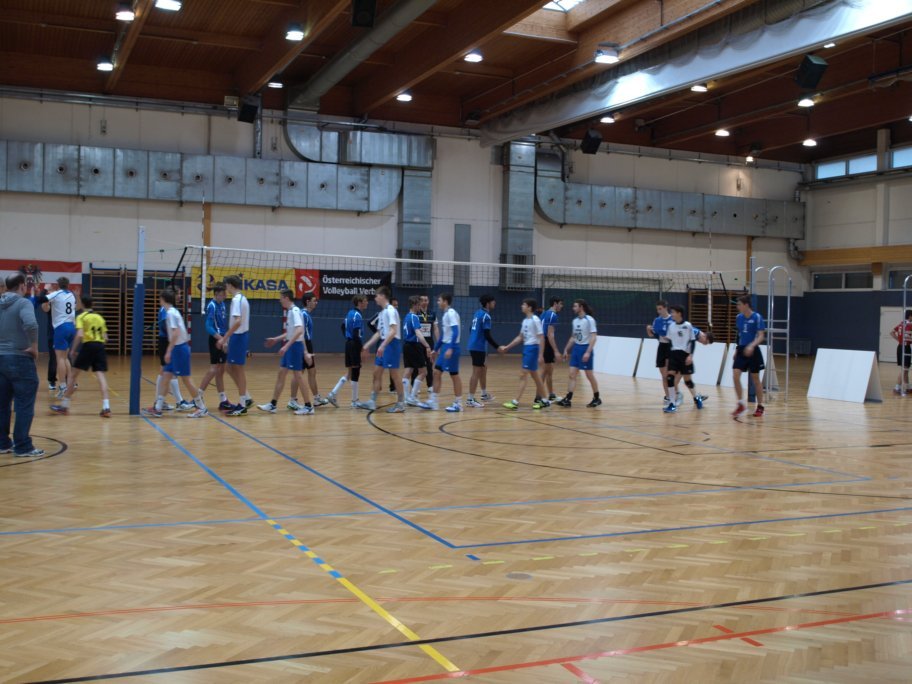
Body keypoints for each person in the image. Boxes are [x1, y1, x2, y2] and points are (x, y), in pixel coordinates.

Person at [142, 290, 208, 418]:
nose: (159, 301)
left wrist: (168, 350)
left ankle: (201, 407)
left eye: (160, 298)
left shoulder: (171, 313)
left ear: (164, 299)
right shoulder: (171, 312)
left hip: (180, 349)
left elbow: (176, 333)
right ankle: (158, 407)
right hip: (177, 348)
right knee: (166, 376)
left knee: (186, 379)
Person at [0, 274, 43, 457]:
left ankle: (2, 444)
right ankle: (23, 446)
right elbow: (32, 324)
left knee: (2, 405)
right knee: (24, 405)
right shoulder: (23, 303)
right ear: (22, 286)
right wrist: (34, 347)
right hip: (19, 358)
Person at [50, 295, 111, 417]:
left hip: (88, 346)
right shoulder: (99, 318)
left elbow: (80, 334)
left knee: (73, 376)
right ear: (93, 304)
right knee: (101, 376)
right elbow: (105, 338)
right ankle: (106, 407)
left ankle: (64, 406)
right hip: (99, 347)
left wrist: (73, 350)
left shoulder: (82, 317)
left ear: (82, 304)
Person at [257, 290, 315, 416]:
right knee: (281, 373)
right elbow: (290, 332)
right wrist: (276, 339)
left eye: (281, 298)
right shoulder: (290, 311)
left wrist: (287, 346)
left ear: (286, 298)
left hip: (294, 346)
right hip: (291, 346)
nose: (280, 300)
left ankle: (308, 406)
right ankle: (273, 404)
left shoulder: (295, 311)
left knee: (298, 376)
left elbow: (299, 331)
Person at [361, 286, 406, 413]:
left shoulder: (391, 310)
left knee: (394, 374)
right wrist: (366, 345)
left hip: (391, 344)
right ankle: (372, 401)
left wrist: (383, 345)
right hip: (384, 344)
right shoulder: (382, 313)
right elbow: (379, 333)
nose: (375, 298)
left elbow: (393, 331)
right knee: (376, 373)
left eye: (376, 296)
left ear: (382, 296)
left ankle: (401, 403)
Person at [499, 299, 549, 410]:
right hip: (527, 349)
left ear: (529, 307)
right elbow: (520, 337)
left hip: (533, 349)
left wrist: (541, 355)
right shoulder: (525, 321)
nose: (522, 306)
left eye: (524, 304)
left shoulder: (535, 320)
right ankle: (545, 400)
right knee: (536, 376)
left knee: (523, 374)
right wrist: (507, 347)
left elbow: (541, 337)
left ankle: (515, 401)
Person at [151, 289, 193, 411]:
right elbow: (166, 326)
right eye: (178, 294)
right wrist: (171, 343)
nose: (180, 296)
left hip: (169, 341)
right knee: (167, 371)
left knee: (167, 371)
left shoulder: (171, 310)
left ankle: (161, 402)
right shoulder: (167, 311)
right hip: (166, 341)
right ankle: (176, 402)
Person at [420, 292, 462, 412]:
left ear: (445, 301)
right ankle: (433, 402)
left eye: (439, 300)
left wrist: (450, 348)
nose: (438, 302)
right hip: (445, 347)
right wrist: (435, 349)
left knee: (454, 375)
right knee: (436, 372)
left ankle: (458, 404)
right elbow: (444, 335)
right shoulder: (445, 315)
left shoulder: (451, 313)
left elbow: (455, 331)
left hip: (451, 347)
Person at [556, 299, 601, 408]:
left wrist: (588, 352)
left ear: (581, 307)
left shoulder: (589, 320)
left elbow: (594, 337)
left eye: (575, 306)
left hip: (585, 348)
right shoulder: (575, 321)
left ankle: (596, 398)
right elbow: (573, 337)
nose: (573, 308)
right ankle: (568, 399)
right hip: (576, 349)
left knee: (589, 375)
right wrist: (566, 349)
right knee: (572, 374)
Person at [219, 275, 252, 416]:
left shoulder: (237, 300)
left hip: (238, 336)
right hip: (238, 337)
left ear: (231, 285)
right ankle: (246, 398)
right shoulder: (242, 298)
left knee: (238, 370)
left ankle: (243, 404)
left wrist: (224, 338)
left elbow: (238, 321)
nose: (225, 287)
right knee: (229, 367)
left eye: (226, 285)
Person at [328, 295, 368, 408]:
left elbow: (342, 326)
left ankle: (333, 393)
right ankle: (354, 401)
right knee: (355, 372)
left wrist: (347, 337)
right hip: (354, 344)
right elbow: (356, 334)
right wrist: (362, 348)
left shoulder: (350, 313)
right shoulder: (357, 315)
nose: (367, 303)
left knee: (350, 372)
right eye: (365, 301)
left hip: (349, 344)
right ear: (359, 302)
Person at [662, 305, 703, 413]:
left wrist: (690, 355)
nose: (671, 314)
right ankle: (672, 404)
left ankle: (696, 398)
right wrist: (668, 356)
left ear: (679, 313)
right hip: (674, 355)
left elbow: (693, 341)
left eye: (673, 312)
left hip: (685, 355)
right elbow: (669, 341)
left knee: (687, 381)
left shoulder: (688, 326)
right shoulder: (671, 326)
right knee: (670, 378)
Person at [40, 277, 76, 398]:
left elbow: (43, 302)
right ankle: (70, 384)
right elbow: (46, 307)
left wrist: (45, 290)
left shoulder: (56, 294)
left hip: (61, 328)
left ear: (58, 285)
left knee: (59, 359)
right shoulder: (71, 295)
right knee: (65, 358)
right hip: (71, 327)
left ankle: (62, 386)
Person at [198, 283, 232, 411]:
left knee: (220, 370)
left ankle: (223, 400)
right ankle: (198, 397)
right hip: (216, 339)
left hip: (223, 339)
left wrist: (226, 339)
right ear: (217, 294)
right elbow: (208, 327)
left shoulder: (222, 304)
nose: (225, 296)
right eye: (223, 294)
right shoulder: (211, 305)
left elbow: (222, 325)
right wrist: (221, 340)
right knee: (213, 369)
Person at [731, 294, 766, 418]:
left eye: (739, 304)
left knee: (755, 379)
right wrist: (737, 349)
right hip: (741, 350)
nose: (737, 307)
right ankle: (741, 404)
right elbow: (739, 335)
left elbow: (761, 336)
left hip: (753, 350)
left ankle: (760, 406)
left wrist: (751, 346)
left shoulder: (757, 317)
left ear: (746, 305)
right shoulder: (739, 317)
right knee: (735, 375)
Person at [466, 295, 500, 407]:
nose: (494, 303)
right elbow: (487, 335)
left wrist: (474, 338)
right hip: (478, 347)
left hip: (475, 345)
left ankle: (484, 394)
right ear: (488, 303)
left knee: (483, 368)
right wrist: (497, 347)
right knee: (476, 372)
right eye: (493, 302)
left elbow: (470, 329)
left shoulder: (477, 313)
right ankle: (470, 399)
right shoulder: (486, 316)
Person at [295, 293, 329, 406]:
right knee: (299, 373)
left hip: (307, 344)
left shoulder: (306, 314)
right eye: (314, 300)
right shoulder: (304, 314)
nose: (316, 303)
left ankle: (316, 398)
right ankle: (293, 399)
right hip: (304, 344)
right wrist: (305, 351)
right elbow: (301, 334)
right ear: (308, 302)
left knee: (311, 372)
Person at [402, 295, 433, 406]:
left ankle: (406, 398)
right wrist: (427, 346)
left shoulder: (406, 316)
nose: (420, 307)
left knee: (408, 370)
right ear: (414, 305)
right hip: (414, 346)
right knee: (423, 372)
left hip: (406, 346)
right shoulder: (414, 317)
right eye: (419, 305)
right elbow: (418, 333)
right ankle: (412, 397)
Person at [647, 300, 679, 407]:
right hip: (661, 347)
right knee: (664, 375)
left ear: (665, 308)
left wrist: (668, 337)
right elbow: (652, 335)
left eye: (660, 309)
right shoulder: (657, 320)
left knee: (670, 375)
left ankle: (675, 396)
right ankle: (668, 397)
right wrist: (648, 330)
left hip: (670, 347)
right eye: (657, 309)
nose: (659, 311)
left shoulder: (672, 319)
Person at [540, 297, 563, 401]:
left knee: (549, 370)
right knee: (545, 371)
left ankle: (551, 394)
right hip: (546, 343)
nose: (561, 306)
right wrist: (556, 351)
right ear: (555, 303)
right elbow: (550, 335)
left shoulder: (544, 313)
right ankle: (539, 397)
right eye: (560, 303)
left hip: (541, 342)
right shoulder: (553, 315)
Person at [417, 294, 437, 397]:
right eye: (423, 300)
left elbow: (436, 328)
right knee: (418, 364)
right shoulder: (416, 313)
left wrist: (438, 342)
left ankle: (430, 385)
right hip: (418, 341)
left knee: (429, 364)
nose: (425, 302)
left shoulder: (432, 313)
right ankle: (416, 386)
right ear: (419, 302)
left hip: (429, 341)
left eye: (426, 300)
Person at [891, 309, 912, 396]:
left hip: (900, 347)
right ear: (910, 316)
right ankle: (897, 388)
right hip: (905, 347)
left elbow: (892, 332)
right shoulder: (909, 325)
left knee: (905, 369)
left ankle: (908, 388)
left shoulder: (901, 324)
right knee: (904, 369)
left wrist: (899, 340)